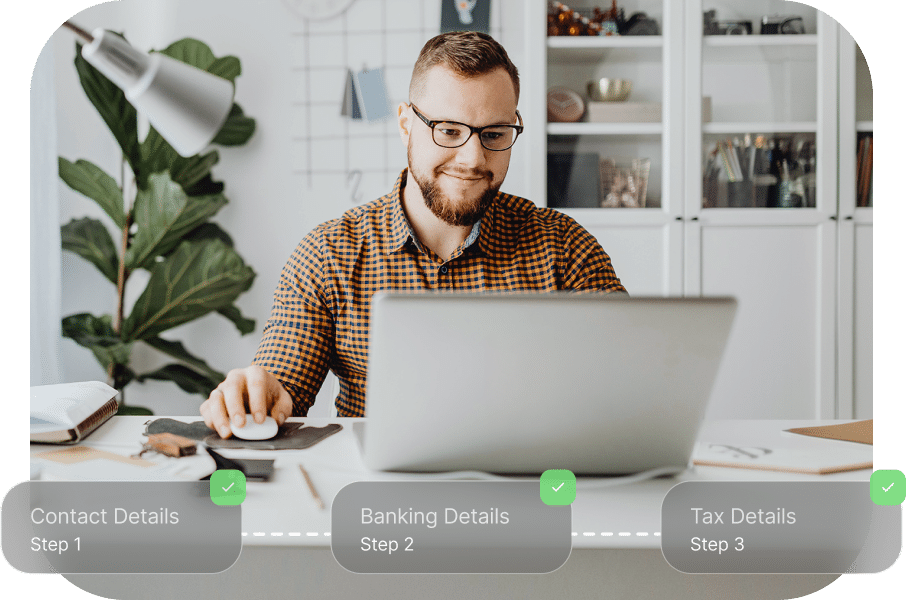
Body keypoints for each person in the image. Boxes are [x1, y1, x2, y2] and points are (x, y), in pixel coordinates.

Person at [200, 31, 626, 437]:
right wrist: (258, 395)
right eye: (449, 131)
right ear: (406, 123)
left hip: (530, 485)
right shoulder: (329, 253)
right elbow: (282, 383)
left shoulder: (565, 247)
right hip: (380, 497)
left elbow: (631, 375)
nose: (473, 158)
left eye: (494, 134)